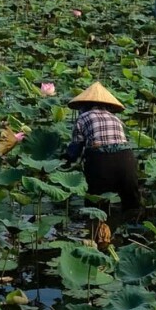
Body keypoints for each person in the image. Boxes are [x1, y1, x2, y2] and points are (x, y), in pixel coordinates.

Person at [64, 81, 141, 212]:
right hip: (126, 159)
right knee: (131, 202)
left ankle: (95, 228)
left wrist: (66, 161)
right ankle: (131, 226)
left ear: (85, 105)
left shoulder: (83, 117)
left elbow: (76, 147)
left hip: (101, 161)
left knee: (96, 204)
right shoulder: (115, 118)